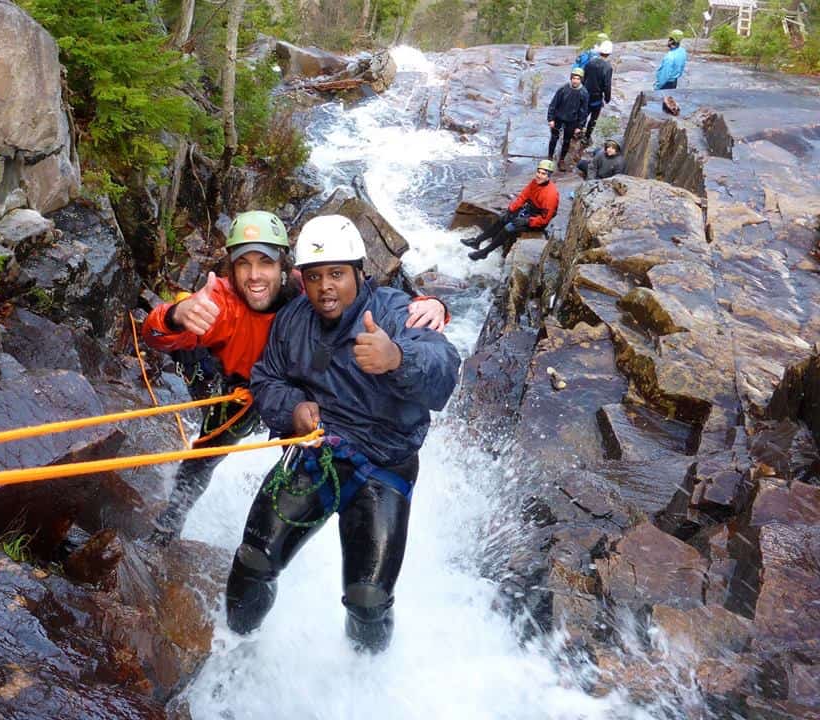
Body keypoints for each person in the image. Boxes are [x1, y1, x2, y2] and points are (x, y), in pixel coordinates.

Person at [224, 215, 461, 652]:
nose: (325, 287)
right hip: (316, 453)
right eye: (314, 277)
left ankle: (365, 675)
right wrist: (293, 410)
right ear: (301, 279)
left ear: (359, 273)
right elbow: (267, 380)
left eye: (336, 274)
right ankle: (233, 647)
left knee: (367, 599)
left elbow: (444, 371)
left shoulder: (396, 312)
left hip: (382, 466)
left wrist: (396, 358)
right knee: (254, 559)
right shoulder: (293, 319)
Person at [140, 211, 447, 539]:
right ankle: (171, 519)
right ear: (232, 268)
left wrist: (432, 304)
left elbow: (372, 301)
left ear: (285, 267)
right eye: (244, 264)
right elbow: (157, 337)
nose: (255, 276)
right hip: (243, 391)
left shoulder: (311, 290)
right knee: (207, 452)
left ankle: (287, 524)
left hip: (301, 390)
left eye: (266, 263)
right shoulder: (218, 302)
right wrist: (173, 315)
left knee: (302, 464)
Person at [461, 159, 559, 261]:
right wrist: (511, 210)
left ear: (549, 176)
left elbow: (545, 219)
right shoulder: (535, 182)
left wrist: (527, 221)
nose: (539, 175)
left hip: (537, 221)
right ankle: (477, 241)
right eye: (538, 172)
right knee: (503, 218)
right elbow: (523, 196)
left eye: (543, 174)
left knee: (509, 227)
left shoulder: (550, 195)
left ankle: (484, 253)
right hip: (530, 211)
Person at [547, 68, 589, 172]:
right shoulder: (563, 89)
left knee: (567, 141)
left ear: (581, 80)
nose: (575, 81)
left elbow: (583, 111)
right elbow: (553, 104)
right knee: (554, 138)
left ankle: (561, 160)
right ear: (571, 78)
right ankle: (549, 157)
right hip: (559, 117)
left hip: (572, 120)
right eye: (574, 78)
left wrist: (580, 126)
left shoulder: (583, 93)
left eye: (578, 78)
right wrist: (551, 118)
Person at [581, 40, 613, 144]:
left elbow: (583, 77)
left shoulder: (590, 62)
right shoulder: (607, 67)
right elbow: (607, 85)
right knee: (593, 118)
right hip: (596, 96)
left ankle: (578, 131)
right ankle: (586, 137)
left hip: (585, 93)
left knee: (583, 114)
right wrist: (607, 98)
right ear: (609, 53)